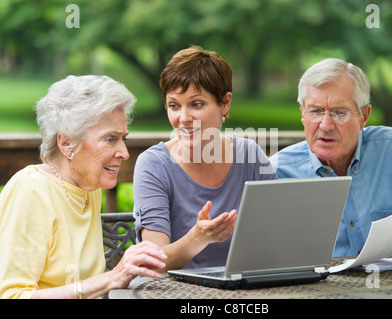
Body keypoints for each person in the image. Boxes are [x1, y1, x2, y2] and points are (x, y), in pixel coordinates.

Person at [0, 75, 167, 299]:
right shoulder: (31, 190)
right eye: (110, 139)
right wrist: (111, 277)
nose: (124, 153)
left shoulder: (88, 186)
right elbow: (12, 296)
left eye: (123, 139)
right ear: (67, 143)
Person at [270, 58, 392, 266]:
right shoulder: (277, 172)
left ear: (364, 116)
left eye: (339, 112)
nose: (325, 125)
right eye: (316, 111)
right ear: (302, 113)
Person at [133, 46, 277, 271]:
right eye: (174, 106)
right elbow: (152, 262)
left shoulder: (250, 156)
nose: (183, 118)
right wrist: (197, 238)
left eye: (196, 104)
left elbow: (281, 233)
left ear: (225, 103)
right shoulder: (154, 164)